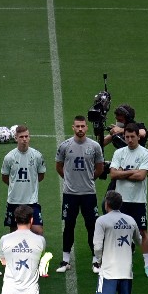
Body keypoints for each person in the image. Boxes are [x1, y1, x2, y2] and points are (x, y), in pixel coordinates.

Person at [89, 191, 141, 294]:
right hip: (126, 270)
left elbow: (97, 245)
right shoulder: (130, 220)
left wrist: (98, 260)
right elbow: (138, 241)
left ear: (106, 204)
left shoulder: (102, 221)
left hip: (109, 271)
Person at [55, 115, 105, 272]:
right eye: (77, 126)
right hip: (70, 193)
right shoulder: (64, 146)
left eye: (83, 126)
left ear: (87, 127)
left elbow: (100, 167)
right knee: (69, 225)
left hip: (89, 193)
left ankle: (96, 261)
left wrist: (90, 179)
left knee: (91, 226)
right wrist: (69, 179)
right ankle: (65, 260)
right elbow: (59, 166)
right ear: (73, 127)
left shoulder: (95, 146)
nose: (80, 129)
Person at [108, 122, 148, 278]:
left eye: (132, 137)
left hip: (138, 200)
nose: (129, 140)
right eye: (126, 137)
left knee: (143, 232)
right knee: (120, 232)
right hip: (121, 201)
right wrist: (132, 171)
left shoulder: (145, 153)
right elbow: (113, 175)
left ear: (138, 137)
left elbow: (141, 177)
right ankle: (122, 264)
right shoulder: (119, 153)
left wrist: (123, 172)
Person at [0, 125, 46, 235]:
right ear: (16, 138)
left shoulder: (37, 156)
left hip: (32, 201)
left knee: (37, 231)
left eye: (26, 136)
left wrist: (31, 184)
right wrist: (16, 185)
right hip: (14, 201)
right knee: (14, 231)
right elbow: (5, 177)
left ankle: (37, 252)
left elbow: (41, 175)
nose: (24, 139)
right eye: (21, 137)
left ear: (29, 137)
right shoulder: (9, 157)